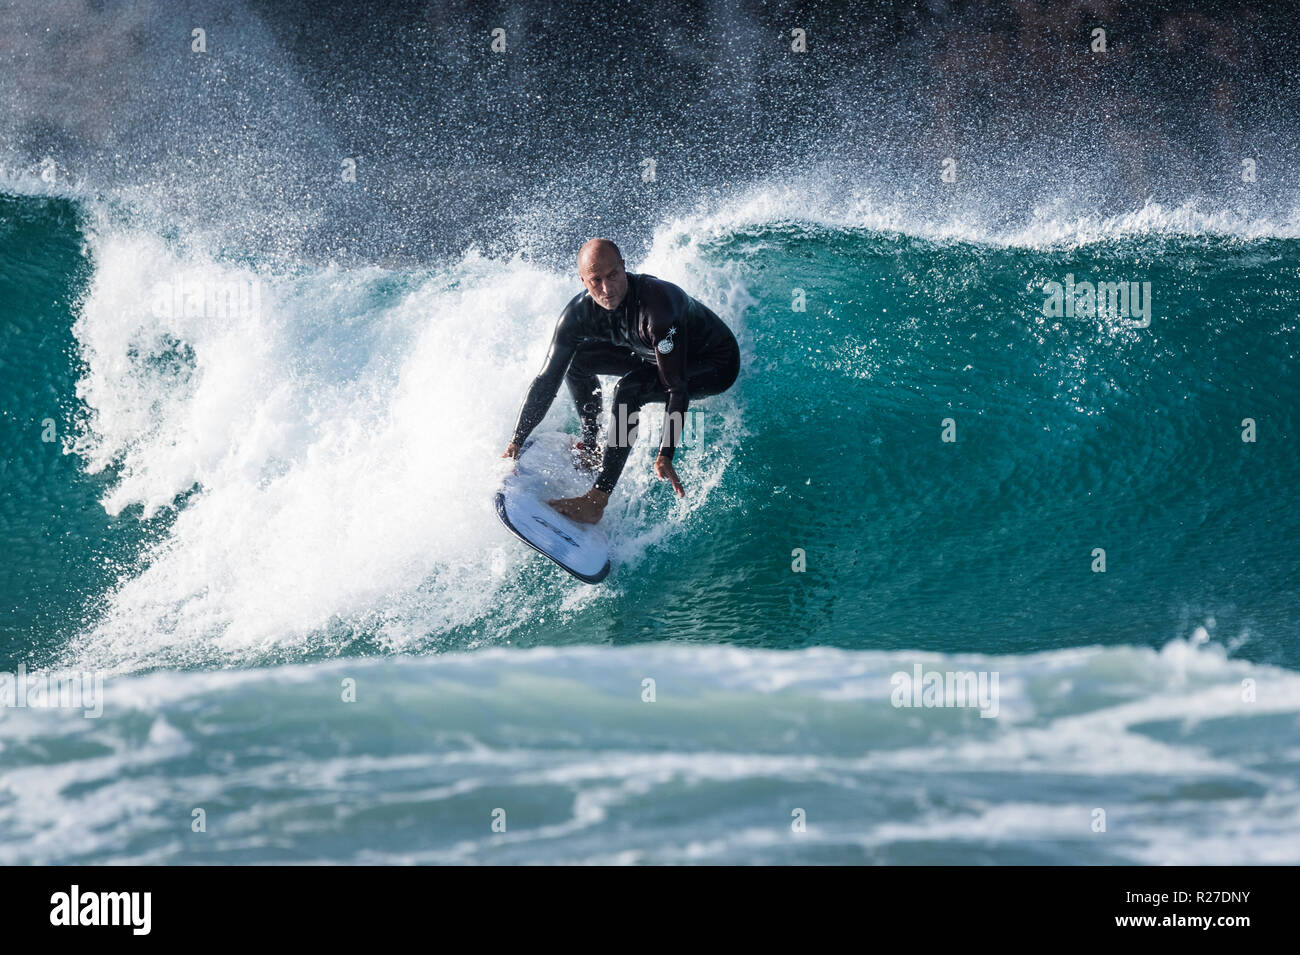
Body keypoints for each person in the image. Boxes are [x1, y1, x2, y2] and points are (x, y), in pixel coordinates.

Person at [502, 238, 740, 524]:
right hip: (649, 353)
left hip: (713, 363)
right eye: (596, 280)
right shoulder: (579, 315)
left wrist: (666, 453)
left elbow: (676, 388)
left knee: (629, 389)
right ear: (583, 281)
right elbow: (547, 379)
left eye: (613, 275)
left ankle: (598, 498)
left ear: (624, 268)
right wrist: (516, 441)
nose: (607, 288)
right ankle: (591, 446)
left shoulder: (658, 309)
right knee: (576, 360)